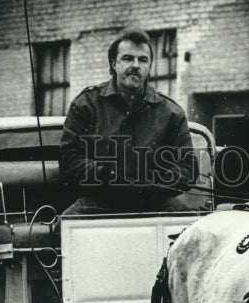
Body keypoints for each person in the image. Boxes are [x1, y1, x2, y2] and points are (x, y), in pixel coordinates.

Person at [59, 29, 197, 214]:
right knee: (68, 226)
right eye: (127, 58)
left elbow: (186, 167)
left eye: (143, 60)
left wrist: (156, 182)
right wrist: (106, 176)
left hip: (154, 203)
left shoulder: (171, 112)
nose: (136, 65)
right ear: (113, 63)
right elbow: (69, 159)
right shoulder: (86, 105)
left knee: (191, 228)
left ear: (149, 67)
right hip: (99, 202)